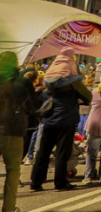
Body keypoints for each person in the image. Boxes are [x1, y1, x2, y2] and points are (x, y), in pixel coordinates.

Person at [31, 47, 92, 192]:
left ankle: (36, 183)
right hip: (66, 120)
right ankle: (60, 182)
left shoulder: (48, 80)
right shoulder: (73, 82)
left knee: (43, 152)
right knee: (62, 152)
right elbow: (88, 97)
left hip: (49, 120)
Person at [1, 51, 35, 212]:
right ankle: (8, 208)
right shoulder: (22, 82)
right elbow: (34, 106)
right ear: (15, 63)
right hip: (13, 130)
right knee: (13, 170)